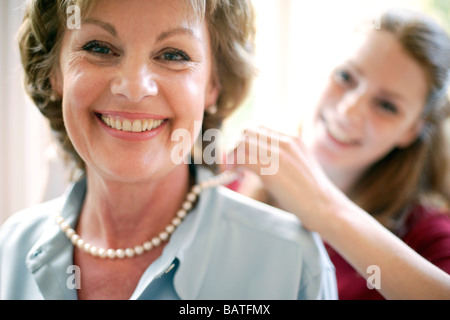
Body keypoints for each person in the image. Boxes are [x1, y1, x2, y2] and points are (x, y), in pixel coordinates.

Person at [0, 0, 337, 300]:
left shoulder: (291, 263)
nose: (133, 88)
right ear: (54, 72)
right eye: (99, 48)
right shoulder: (9, 250)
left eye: (173, 55)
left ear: (213, 85)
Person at [227, 9, 450, 299]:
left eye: (386, 106)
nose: (349, 111)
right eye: (346, 76)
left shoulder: (425, 235)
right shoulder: (229, 174)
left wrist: (323, 207)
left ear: (411, 130)